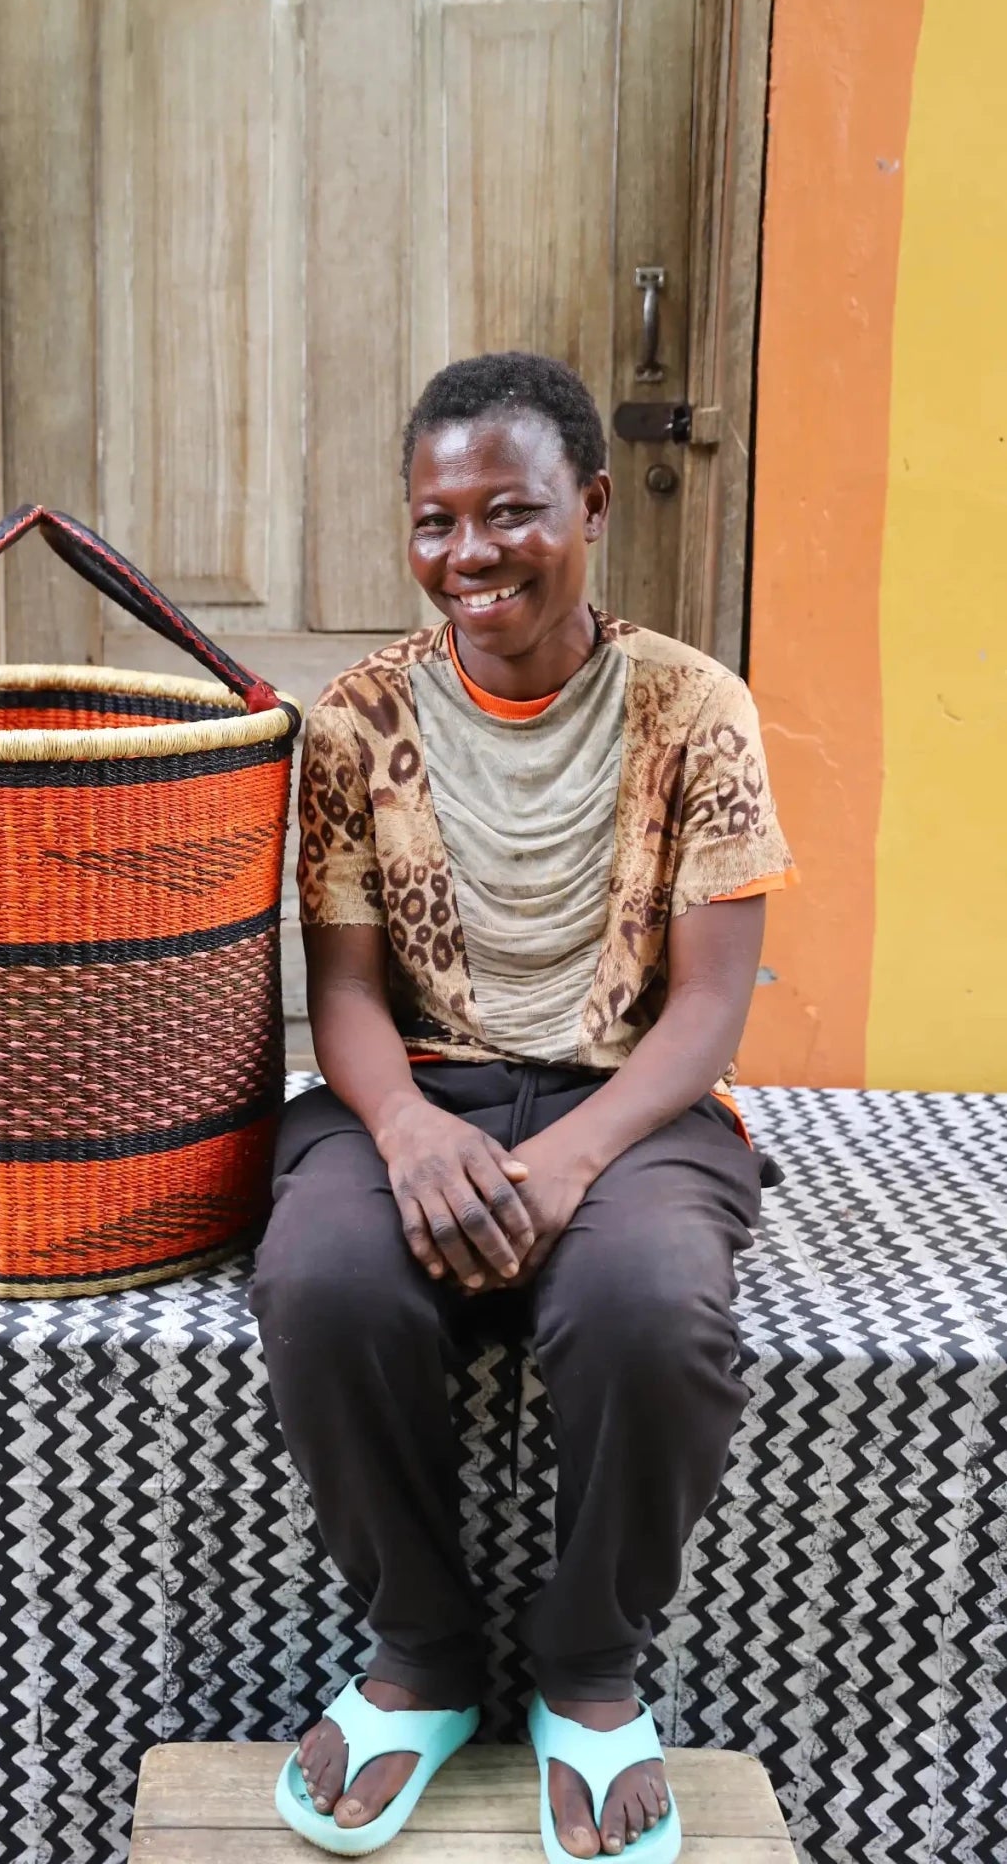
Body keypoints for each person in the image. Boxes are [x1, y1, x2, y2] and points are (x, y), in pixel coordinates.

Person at [250, 352, 795, 1862]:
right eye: (434, 521)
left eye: (510, 511)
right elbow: (345, 993)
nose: (468, 555)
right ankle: (419, 1652)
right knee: (320, 1278)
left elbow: (705, 1009)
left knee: (648, 1311)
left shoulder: (694, 708)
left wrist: (565, 1156)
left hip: (631, 1101)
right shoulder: (354, 720)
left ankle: (587, 1665)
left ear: (592, 506)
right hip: (408, 1087)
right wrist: (411, 1134)